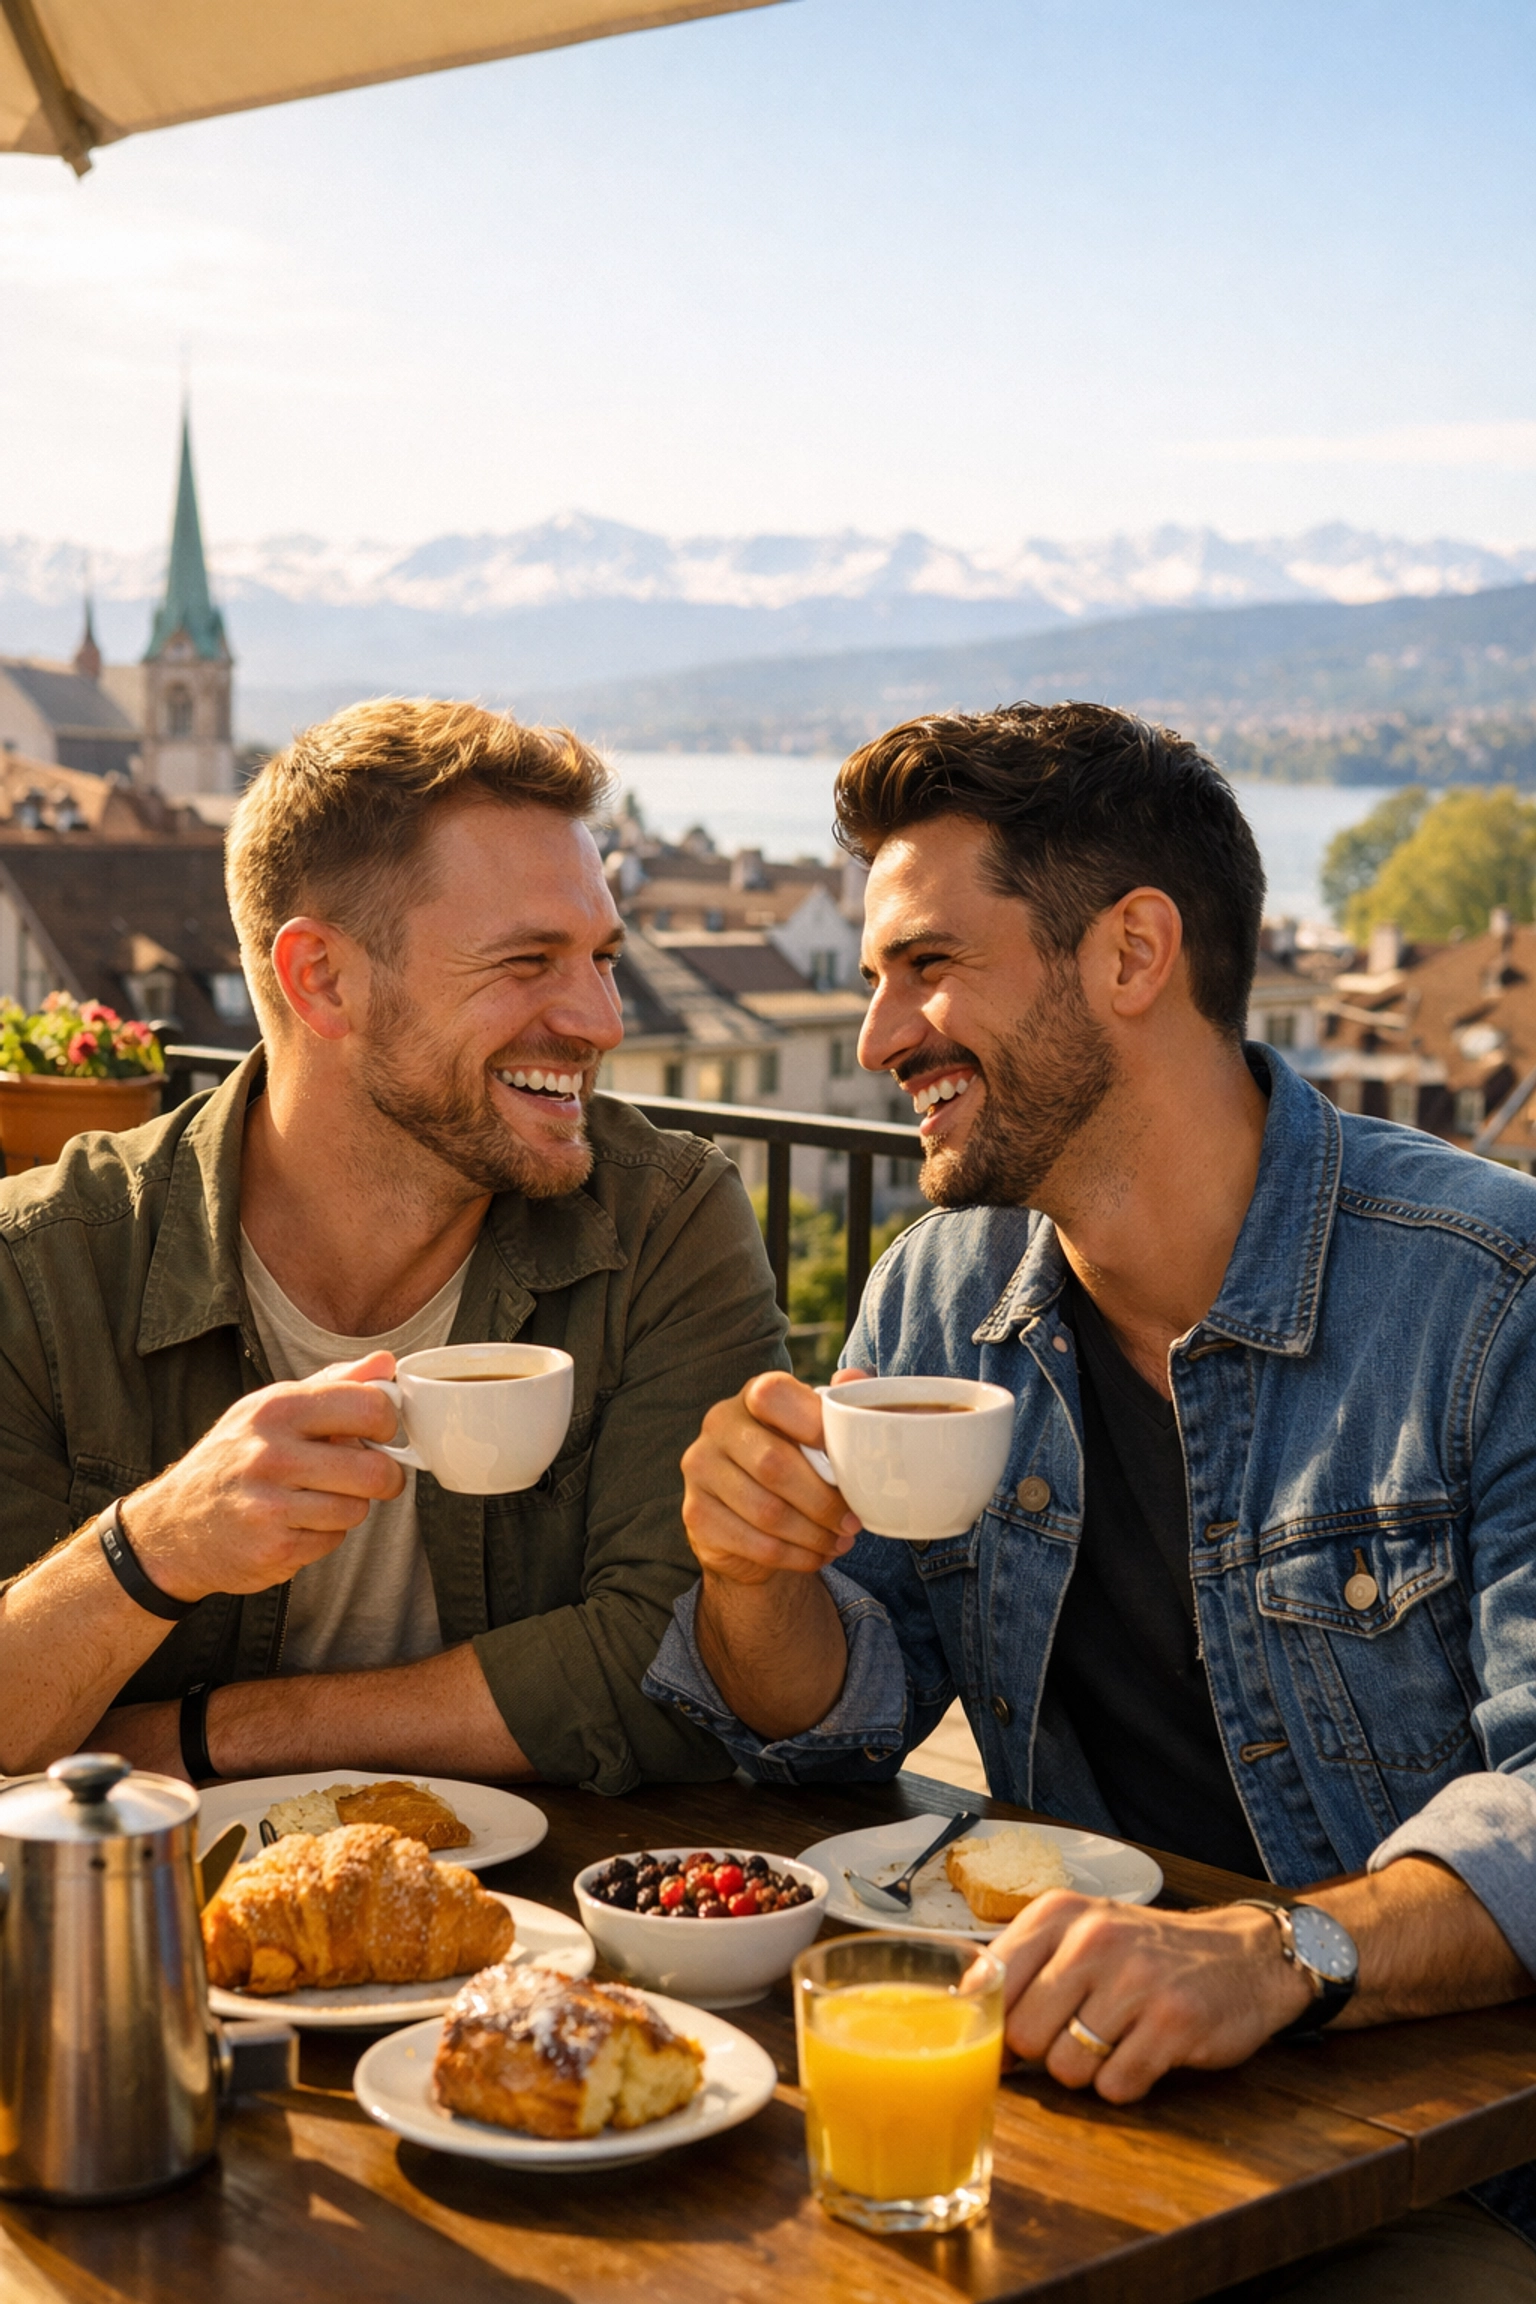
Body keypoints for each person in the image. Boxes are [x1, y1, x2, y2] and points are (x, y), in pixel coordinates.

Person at [647, 701, 1536, 2288]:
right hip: (1093, 2098)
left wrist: (1279, 1954)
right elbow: (843, 1717)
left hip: (1449, 2161)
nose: (877, 1038)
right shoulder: (937, 1295)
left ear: (1133, 955)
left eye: (926, 965)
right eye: (872, 980)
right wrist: (755, 1575)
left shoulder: (1489, 1298)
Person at [0, 698, 787, 1793]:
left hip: (548, 1920)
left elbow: (681, 1668)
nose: (601, 1020)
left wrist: (201, 1736)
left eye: (603, 957)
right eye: (527, 961)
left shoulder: (663, 1219)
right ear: (322, 978)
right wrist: (158, 1544)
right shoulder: (43, 1266)